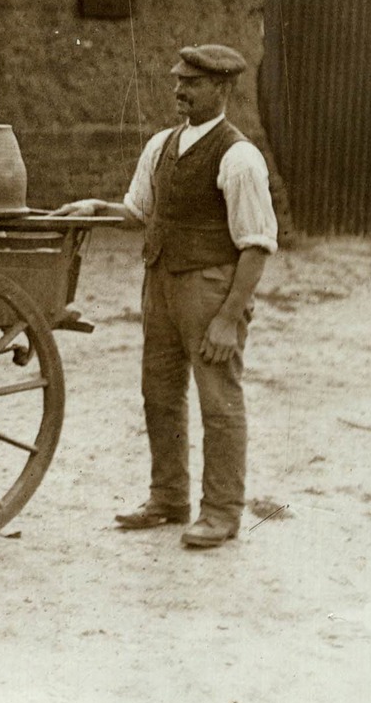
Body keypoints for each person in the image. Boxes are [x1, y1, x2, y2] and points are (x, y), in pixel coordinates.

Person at [52, 44, 278, 549]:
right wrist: (95, 207)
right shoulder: (160, 145)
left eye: (192, 83)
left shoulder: (240, 157)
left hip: (211, 287)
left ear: (221, 89)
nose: (179, 90)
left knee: (218, 400)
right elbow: (137, 213)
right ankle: (168, 498)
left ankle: (221, 512)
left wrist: (227, 317)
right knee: (159, 394)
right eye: (178, 80)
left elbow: (258, 245)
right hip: (160, 284)